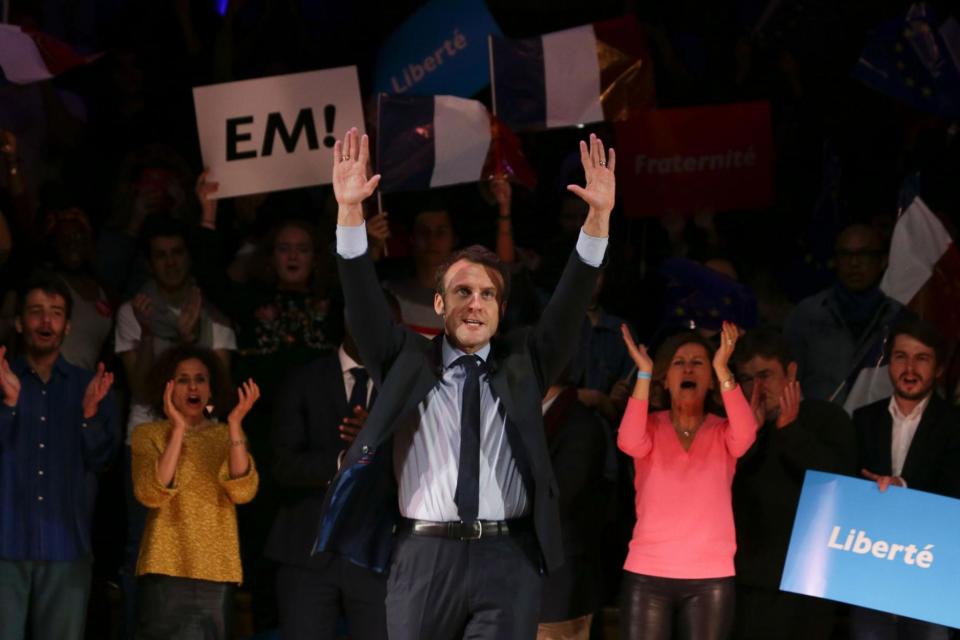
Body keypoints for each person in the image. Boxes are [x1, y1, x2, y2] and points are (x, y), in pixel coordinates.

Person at [315, 128, 614, 639]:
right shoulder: (405, 359)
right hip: (423, 557)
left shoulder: (525, 361)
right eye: (461, 291)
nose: (475, 303)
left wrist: (598, 222)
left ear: (500, 309)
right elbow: (363, 302)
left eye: (487, 294)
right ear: (439, 304)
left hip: (508, 557)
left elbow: (567, 306)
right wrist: (349, 214)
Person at [618, 321, 757, 640]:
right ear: (666, 380)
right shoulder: (649, 426)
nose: (689, 369)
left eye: (698, 363)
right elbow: (628, 441)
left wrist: (723, 366)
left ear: (710, 380)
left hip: (711, 577)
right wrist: (643, 373)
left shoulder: (723, 431)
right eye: (679, 363)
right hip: (647, 573)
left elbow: (747, 435)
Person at [0, 275, 119, 640]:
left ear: (68, 326)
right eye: (36, 312)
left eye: (55, 313)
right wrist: (8, 406)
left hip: (66, 544)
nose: (45, 321)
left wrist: (88, 416)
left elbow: (102, 460)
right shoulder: (2, 380)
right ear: (19, 322)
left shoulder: (90, 386)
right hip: (5, 542)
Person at [730, 328, 857, 639]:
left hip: (808, 585)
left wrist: (790, 431)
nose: (757, 388)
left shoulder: (828, 418)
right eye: (747, 379)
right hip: (748, 585)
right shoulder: (734, 432)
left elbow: (839, 484)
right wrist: (749, 437)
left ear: (791, 372)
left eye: (765, 375)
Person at [266, 322, 389, 640]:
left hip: (378, 554)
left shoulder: (404, 384)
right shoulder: (304, 378)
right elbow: (282, 464)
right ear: (350, 318)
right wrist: (343, 461)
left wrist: (377, 441)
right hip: (306, 550)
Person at [131, 345, 260, 640]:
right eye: (183, 379)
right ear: (167, 386)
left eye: (200, 379)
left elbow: (243, 490)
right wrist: (177, 429)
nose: (192, 386)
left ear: (211, 388)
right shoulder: (148, 434)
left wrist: (236, 424)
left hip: (217, 570)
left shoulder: (226, 435)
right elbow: (151, 492)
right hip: (166, 567)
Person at [850, 319, 960, 640]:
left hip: (933, 570)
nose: (909, 368)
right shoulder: (864, 419)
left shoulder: (954, 424)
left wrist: (904, 488)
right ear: (888, 363)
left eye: (921, 358)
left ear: (939, 368)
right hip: (872, 569)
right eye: (900, 357)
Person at [784, 224, 904, 406]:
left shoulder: (898, 318)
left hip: (881, 426)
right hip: (820, 427)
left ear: (882, 260)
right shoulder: (807, 314)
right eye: (846, 255)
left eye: (864, 254)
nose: (854, 263)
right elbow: (787, 379)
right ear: (835, 261)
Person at [537, 376, 611, 640]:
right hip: (519, 589)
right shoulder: (514, 418)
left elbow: (560, 497)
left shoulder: (580, 424)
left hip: (559, 592)